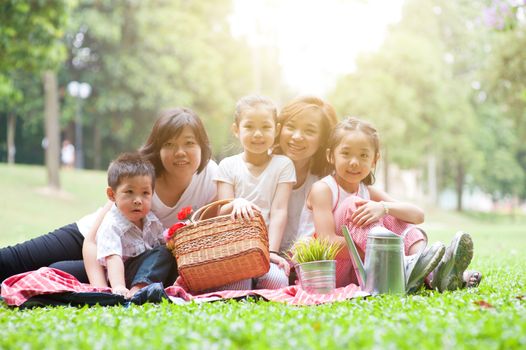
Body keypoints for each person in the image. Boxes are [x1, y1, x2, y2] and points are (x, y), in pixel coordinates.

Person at [0, 108, 218, 289]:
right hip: (89, 236)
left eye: (189, 143)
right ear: (158, 148)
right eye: (169, 144)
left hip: (126, 263)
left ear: (202, 146)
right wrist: (101, 287)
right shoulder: (143, 174)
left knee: (52, 270)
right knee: (15, 259)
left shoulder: (211, 177)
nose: (180, 152)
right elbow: (93, 241)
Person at [307, 116, 481, 292]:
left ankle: (435, 272)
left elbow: (417, 215)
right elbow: (326, 242)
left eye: (363, 155)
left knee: (392, 214)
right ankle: (408, 266)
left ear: (374, 160)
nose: (354, 162)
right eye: (345, 153)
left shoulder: (368, 191)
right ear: (331, 155)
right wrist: (388, 255)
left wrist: (383, 208)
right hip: (332, 271)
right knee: (356, 204)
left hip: (365, 271)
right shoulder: (323, 189)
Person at [215, 95, 296, 290]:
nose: (257, 134)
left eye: (265, 127)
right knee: (237, 286)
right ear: (236, 130)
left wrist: (271, 252)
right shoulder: (228, 165)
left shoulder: (283, 165)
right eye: (249, 127)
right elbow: (222, 212)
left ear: (276, 130)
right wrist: (236, 202)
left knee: (274, 281)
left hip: (265, 250)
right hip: (235, 250)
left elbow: (279, 211)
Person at [272, 96, 338, 253]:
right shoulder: (264, 166)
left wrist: (384, 207)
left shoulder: (329, 177)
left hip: (306, 262)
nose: (297, 136)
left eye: (309, 131)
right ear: (279, 129)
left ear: (323, 139)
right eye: (291, 126)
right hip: (265, 259)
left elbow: (369, 194)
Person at [95, 152, 164, 297]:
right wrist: (119, 286)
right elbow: (113, 258)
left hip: (149, 270)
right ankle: (136, 291)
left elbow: (162, 243)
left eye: (145, 193)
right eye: (129, 192)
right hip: (124, 274)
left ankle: (145, 287)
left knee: (165, 252)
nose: (138, 200)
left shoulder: (152, 221)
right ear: (112, 195)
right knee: (161, 253)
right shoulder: (112, 225)